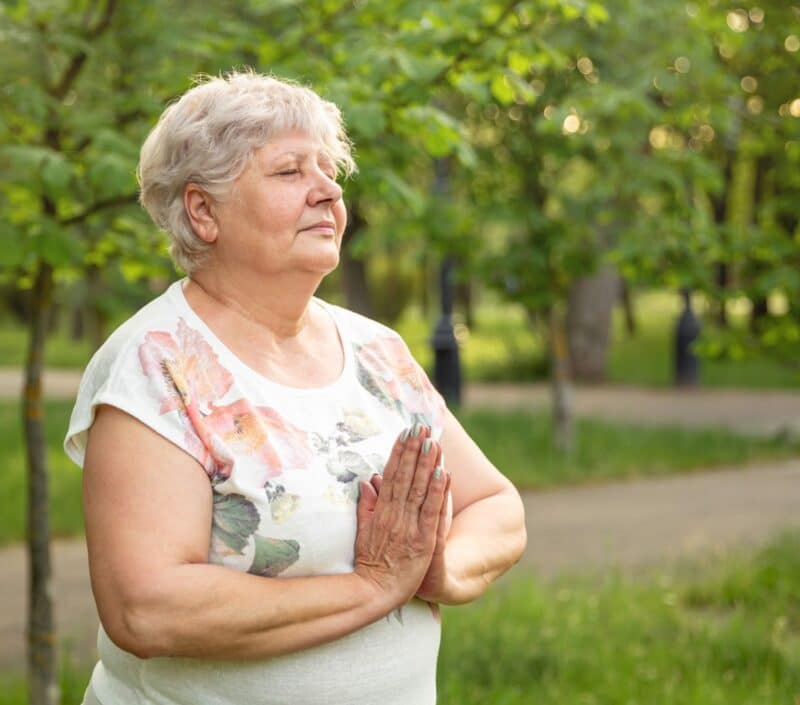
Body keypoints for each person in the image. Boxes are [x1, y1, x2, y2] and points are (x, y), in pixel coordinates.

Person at [64, 71, 526, 705]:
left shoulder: (377, 351)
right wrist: (372, 588)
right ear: (203, 212)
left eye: (328, 170)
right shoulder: (154, 367)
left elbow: (497, 508)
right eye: (289, 172)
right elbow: (147, 609)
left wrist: (438, 569)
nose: (329, 190)